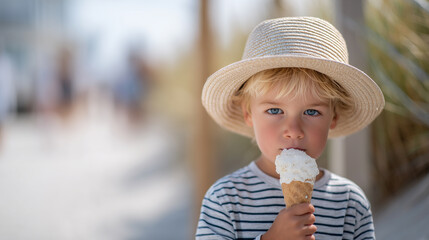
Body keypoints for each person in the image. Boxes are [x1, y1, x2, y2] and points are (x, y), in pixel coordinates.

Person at [196, 17, 385, 240]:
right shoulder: (225, 199)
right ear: (248, 114)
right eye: (275, 111)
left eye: (312, 112)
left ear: (333, 117)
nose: (293, 130)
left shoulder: (349, 202)